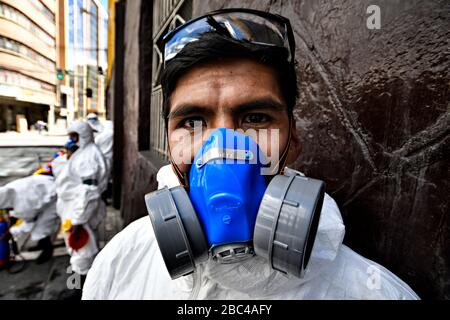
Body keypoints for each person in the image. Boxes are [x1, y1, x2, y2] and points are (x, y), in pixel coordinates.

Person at [82, 9, 419, 299]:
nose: (223, 148)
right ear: (169, 143)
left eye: (256, 118)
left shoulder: (371, 291)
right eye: (193, 121)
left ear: (294, 141)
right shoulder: (121, 262)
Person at [54, 120, 107, 292]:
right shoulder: (84, 152)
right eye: (70, 136)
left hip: (79, 211)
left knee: (80, 252)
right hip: (76, 208)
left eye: (74, 136)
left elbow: (88, 191)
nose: (71, 140)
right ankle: (89, 286)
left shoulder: (88, 157)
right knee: (86, 250)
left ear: (83, 135)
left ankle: (80, 291)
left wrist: (77, 220)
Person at [0, 162, 60, 264]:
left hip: (53, 197)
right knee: (38, 228)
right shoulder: (8, 189)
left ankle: (47, 250)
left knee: (40, 229)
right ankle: (42, 243)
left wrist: (11, 232)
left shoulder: (23, 206)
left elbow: (29, 224)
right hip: (44, 185)